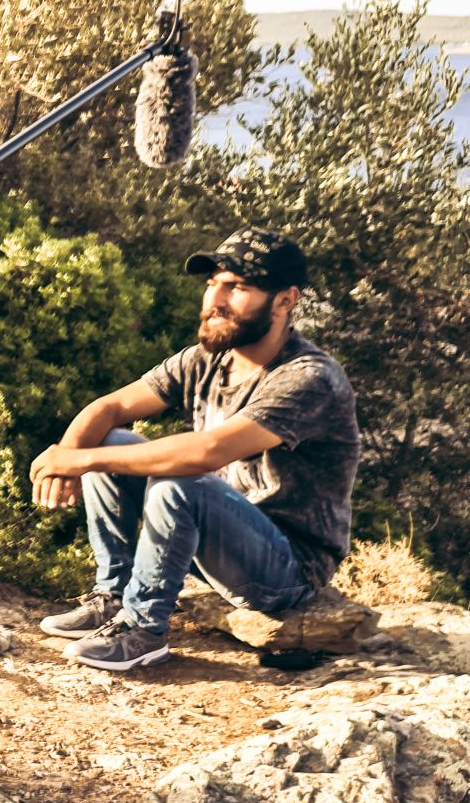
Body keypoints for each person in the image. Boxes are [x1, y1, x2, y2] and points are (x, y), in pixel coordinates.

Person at [30, 227, 360, 671]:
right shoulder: (205, 359)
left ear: (285, 301)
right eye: (212, 285)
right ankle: (114, 595)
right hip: (213, 544)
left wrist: (77, 459)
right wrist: (69, 457)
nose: (215, 301)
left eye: (237, 287)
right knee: (110, 441)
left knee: (179, 482)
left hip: (287, 569)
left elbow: (207, 452)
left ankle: (144, 630)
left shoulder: (309, 377)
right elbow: (111, 407)